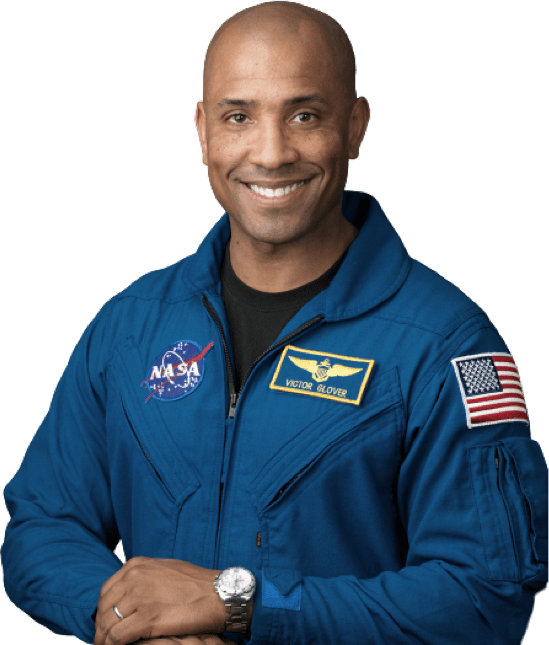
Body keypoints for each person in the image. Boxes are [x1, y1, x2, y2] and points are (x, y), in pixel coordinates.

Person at [2, 1, 547, 644]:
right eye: (239, 116)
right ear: (203, 131)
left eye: (305, 115)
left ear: (356, 126)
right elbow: (42, 526)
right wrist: (137, 622)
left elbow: (484, 595)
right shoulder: (130, 326)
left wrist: (241, 604)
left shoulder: (445, 345)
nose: (271, 152)